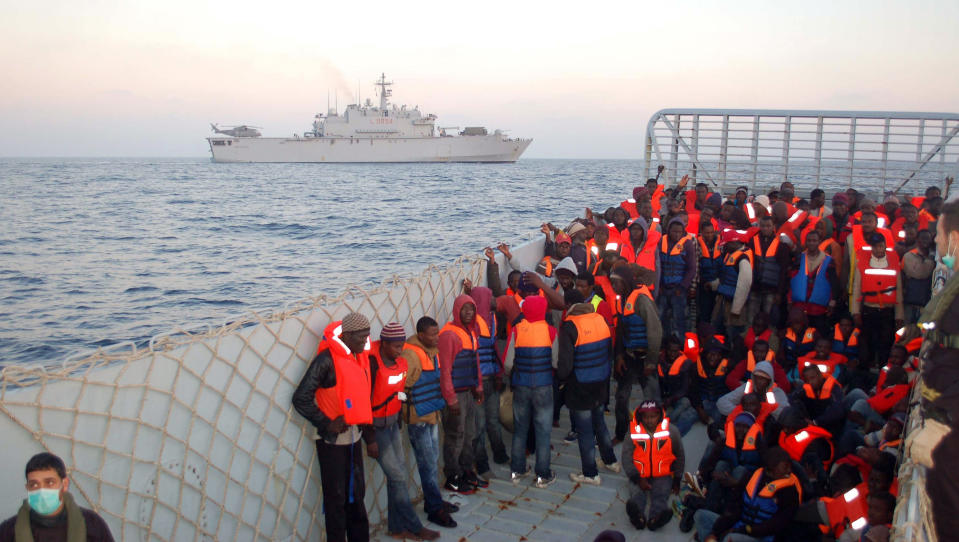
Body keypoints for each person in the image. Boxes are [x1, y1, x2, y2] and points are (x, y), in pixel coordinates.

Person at [292, 313, 377, 542]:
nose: (365, 342)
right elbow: (300, 398)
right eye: (361, 338)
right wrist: (326, 422)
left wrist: (369, 437)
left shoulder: (361, 357)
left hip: (354, 437)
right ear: (347, 336)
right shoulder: (326, 360)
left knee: (357, 496)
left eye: (367, 337)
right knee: (336, 499)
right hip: (332, 443)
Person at [368, 323, 440, 540]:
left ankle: (396, 527)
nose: (400, 351)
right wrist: (370, 438)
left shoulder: (399, 363)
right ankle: (414, 526)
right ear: (385, 343)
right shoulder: (373, 364)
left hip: (392, 425)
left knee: (396, 476)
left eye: (402, 346)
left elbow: (398, 392)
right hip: (376, 428)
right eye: (396, 347)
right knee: (398, 475)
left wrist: (399, 414)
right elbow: (364, 400)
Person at [401, 317, 458, 528]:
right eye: (433, 334)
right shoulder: (411, 355)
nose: (437, 337)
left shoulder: (432, 351)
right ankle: (434, 509)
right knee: (426, 463)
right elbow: (401, 387)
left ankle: (433, 501)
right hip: (418, 418)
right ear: (421, 335)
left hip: (432, 412)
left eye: (437, 333)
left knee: (433, 460)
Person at [557, 301, 620, 485]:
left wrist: (561, 380)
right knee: (600, 423)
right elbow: (609, 351)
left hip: (580, 386)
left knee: (584, 430)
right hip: (600, 383)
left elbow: (566, 365)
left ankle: (591, 473)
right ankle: (611, 461)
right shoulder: (600, 320)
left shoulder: (570, 326)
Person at [503, 295, 558, 488]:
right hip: (543, 386)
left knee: (520, 429)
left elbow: (508, 364)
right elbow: (555, 362)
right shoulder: (550, 331)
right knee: (543, 431)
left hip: (521, 386)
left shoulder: (516, 331)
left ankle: (517, 470)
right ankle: (543, 475)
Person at [693, 447, 801, 542]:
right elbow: (734, 507)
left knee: (730, 539)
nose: (789, 470)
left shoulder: (790, 492)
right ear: (772, 467)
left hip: (761, 536)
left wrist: (742, 530)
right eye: (785, 467)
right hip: (740, 525)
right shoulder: (751, 477)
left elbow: (777, 525)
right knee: (700, 516)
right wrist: (715, 532)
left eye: (789, 467)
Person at [0, 452, 114, 542]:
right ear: (27, 488)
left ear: (64, 485)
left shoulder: (92, 524)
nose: (41, 490)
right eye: (34, 484)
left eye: (49, 483)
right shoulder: (8, 531)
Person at [438, 295, 485, 494]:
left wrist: (479, 386)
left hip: (468, 392)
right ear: (457, 310)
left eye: (471, 309)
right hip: (456, 396)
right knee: (455, 436)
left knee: (470, 434)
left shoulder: (471, 332)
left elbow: (475, 363)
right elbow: (445, 370)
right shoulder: (449, 335)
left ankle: (467, 470)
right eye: (464, 309)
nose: (468, 313)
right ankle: (453, 476)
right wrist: (451, 399)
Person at [611, 266, 663, 443]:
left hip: (645, 358)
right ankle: (621, 433)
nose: (613, 286)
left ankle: (654, 436)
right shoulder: (622, 298)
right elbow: (621, 330)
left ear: (624, 281)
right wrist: (618, 356)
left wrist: (651, 362)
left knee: (652, 399)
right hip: (629, 356)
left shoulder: (641, 300)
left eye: (616, 282)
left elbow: (655, 331)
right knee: (621, 398)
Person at [623, 400, 685, 531]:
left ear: (659, 416)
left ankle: (655, 519)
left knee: (661, 494)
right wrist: (638, 479)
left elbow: (680, 455)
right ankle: (638, 517)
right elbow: (626, 458)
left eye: (653, 416)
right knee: (637, 494)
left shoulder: (672, 431)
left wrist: (677, 480)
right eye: (646, 417)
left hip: (662, 474)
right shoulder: (632, 432)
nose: (649, 420)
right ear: (641, 417)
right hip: (639, 474)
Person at [468, 286, 510, 475]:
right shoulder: (475, 323)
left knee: (490, 420)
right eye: (489, 297)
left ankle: (499, 454)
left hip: (490, 379)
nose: (493, 300)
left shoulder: (489, 319)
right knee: (483, 423)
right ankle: (483, 461)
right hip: (480, 382)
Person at [851, 234, 903, 369]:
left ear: (885, 245)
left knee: (885, 344)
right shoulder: (862, 263)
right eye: (875, 246)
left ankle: (882, 371)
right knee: (866, 344)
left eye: (880, 245)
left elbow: (899, 292)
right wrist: (855, 312)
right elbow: (856, 288)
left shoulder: (894, 262)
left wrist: (899, 316)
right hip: (869, 310)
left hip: (887, 311)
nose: (878, 249)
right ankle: (865, 372)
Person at [790, 229, 839, 333]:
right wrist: (789, 300)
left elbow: (834, 283)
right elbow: (791, 281)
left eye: (814, 240)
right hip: (799, 308)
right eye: (809, 240)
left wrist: (833, 301)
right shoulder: (799, 259)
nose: (811, 243)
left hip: (819, 309)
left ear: (819, 242)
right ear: (806, 242)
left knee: (818, 336)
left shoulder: (829, 261)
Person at [750, 216, 791, 328]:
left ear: (774, 227)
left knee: (768, 320)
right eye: (762, 226)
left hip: (771, 289)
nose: (765, 228)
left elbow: (783, 270)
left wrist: (779, 292)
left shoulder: (781, 244)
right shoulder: (753, 241)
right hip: (755, 287)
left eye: (768, 226)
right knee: (752, 319)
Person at [657, 218, 696, 338]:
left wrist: (683, 287)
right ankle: (663, 343)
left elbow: (692, 269)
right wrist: (659, 286)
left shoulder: (688, 244)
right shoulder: (661, 241)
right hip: (663, 288)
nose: (677, 234)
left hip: (678, 289)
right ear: (668, 230)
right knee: (661, 316)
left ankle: (680, 343)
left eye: (679, 232)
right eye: (674, 231)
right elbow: (657, 265)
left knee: (679, 318)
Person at [714, 228, 754, 337]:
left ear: (733, 243)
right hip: (724, 301)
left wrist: (736, 309)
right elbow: (725, 278)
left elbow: (744, 286)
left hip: (734, 305)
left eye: (726, 244)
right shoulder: (730, 255)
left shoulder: (743, 259)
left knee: (733, 335)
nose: (724, 247)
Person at [901, 229, 935, 324]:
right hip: (911, 302)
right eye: (922, 238)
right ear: (917, 240)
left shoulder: (935, 257)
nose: (925, 241)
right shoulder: (909, 256)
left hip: (927, 304)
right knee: (907, 332)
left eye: (928, 239)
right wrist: (931, 259)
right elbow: (920, 274)